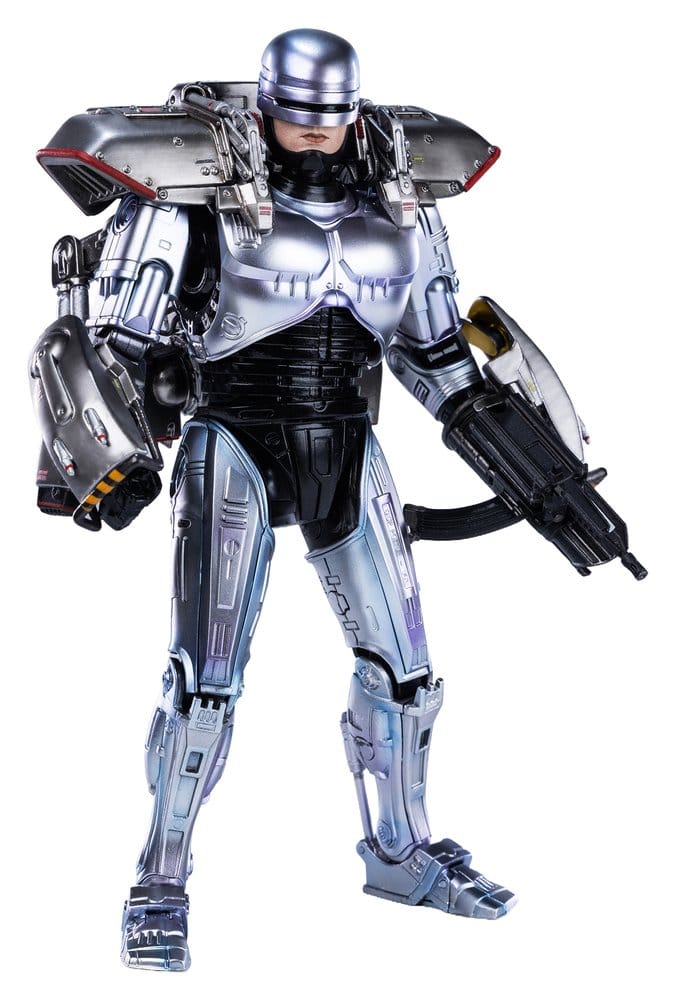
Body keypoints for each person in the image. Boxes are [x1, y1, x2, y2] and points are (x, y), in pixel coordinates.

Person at [31, 27, 643, 972]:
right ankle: (160, 877)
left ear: (354, 111)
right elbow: (113, 343)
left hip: (347, 442)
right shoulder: (188, 196)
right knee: (203, 685)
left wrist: (534, 471)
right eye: (298, 115)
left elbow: (438, 358)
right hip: (232, 435)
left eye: (332, 115)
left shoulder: (402, 203)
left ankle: (399, 853)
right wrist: (110, 447)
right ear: (269, 107)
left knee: (407, 677)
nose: (315, 133)